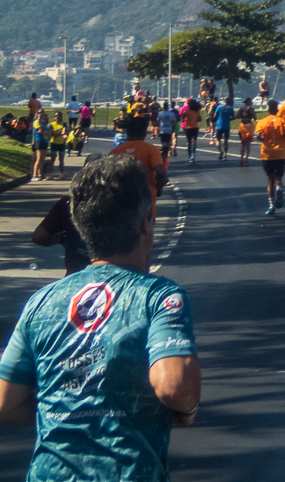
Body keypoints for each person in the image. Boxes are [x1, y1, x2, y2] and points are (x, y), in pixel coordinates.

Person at [0, 155, 201, 478]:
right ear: (145, 223)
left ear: (80, 226)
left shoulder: (41, 302)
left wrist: (69, 408)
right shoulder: (160, 297)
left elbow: (6, 402)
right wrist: (187, 409)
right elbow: (174, 386)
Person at [108, 115, 168, 217]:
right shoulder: (152, 150)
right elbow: (161, 171)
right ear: (145, 133)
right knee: (146, 230)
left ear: (127, 132)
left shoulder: (115, 152)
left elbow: (108, 175)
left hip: (123, 200)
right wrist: (159, 187)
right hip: (147, 198)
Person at [31, 194, 89, 274]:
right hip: (110, 279)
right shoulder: (111, 203)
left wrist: (62, 238)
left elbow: (39, 236)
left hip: (75, 277)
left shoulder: (68, 204)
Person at [255, 100, 285, 215]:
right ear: (277, 109)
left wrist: (264, 140)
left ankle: (271, 205)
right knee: (278, 177)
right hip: (280, 153)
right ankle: (279, 188)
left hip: (267, 154)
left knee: (270, 179)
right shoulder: (282, 121)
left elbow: (258, 136)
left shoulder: (262, 122)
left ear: (268, 109)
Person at [47, 112, 68, 180]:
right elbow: (50, 133)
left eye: (59, 116)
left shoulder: (64, 124)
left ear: (61, 117)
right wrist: (59, 134)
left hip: (61, 143)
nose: (57, 117)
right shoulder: (51, 124)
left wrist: (62, 134)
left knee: (61, 160)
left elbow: (63, 131)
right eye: (56, 116)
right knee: (52, 159)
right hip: (53, 143)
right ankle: (51, 174)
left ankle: (61, 174)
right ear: (54, 117)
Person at [212, 96, 234, 161]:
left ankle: (220, 151)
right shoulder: (231, 108)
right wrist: (228, 119)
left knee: (217, 139)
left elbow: (215, 115)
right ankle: (225, 154)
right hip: (227, 126)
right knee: (226, 141)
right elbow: (232, 117)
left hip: (219, 125)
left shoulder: (219, 107)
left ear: (224, 102)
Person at [30, 112, 50, 181]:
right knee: (38, 158)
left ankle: (40, 175)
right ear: (37, 114)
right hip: (38, 140)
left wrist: (46, 132)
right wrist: (46, 132)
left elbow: (47, 131)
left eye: (42, 112)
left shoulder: (43, 123)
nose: (41, 114)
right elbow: (40, 131)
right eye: (39, 112)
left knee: (42, 159)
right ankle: (34, 175)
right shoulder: (36, 121)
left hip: (44, 140)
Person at [238, 99, 256, 167]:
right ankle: (246, 159)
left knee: (242, 143)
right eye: (251, 102)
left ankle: (241, 159)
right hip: (249, 126)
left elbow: (237, 116)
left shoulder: (241, 109)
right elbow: (254, 118)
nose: (252, 103)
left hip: (242, 126)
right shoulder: (252, 109)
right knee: (248, 144)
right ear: (248, 102)